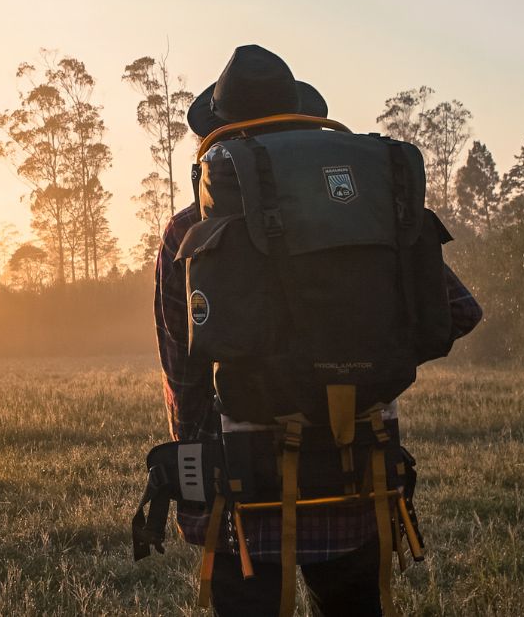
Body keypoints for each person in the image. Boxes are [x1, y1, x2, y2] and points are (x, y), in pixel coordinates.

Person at [154, 45, 482, 617]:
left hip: (244, 481)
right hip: (359, 469)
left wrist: (189, 464)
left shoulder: (189, 229)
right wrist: (365, 356)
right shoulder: (371, 211)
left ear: (222, 132)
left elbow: (183, 370)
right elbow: (458, 311)